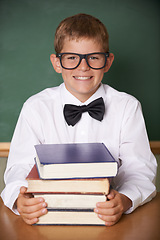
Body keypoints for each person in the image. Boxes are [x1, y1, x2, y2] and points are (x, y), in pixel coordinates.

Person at [1, 13, 157, 226]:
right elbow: (19, 167)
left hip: (110, 217)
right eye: (72, 58)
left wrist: (125, 199)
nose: (83, 67)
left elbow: (139, 169)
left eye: (93, 57)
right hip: (47, 215)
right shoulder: (35, 107)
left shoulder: (127, 106)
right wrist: (20, 202)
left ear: (107, 61)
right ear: (57, 63)